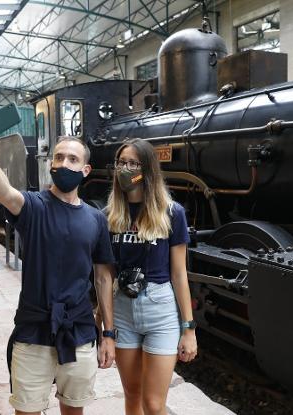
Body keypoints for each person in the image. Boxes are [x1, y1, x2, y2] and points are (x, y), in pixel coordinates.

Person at [0, 114, 117, 415]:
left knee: (74, 410)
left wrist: (108, 335)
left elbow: (103, 279)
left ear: (85, 169)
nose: (65, 164)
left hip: (79, 330)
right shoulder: (34, 207)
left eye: (73, 159)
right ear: (51, 164)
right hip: (34, 330)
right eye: (59, 157)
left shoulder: (95, 219)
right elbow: (4, 192)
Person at [106, 138, 198, 415]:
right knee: (132, 395)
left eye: (133, 163)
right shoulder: (109, 216)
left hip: (161, 310)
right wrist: (103, 324)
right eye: (121, 162)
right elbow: (105, 274)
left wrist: (189, 329)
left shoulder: (172, 213)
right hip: (122, 309)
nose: (126, 168)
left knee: (154, 404)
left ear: (147, 170)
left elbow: (179, 274)